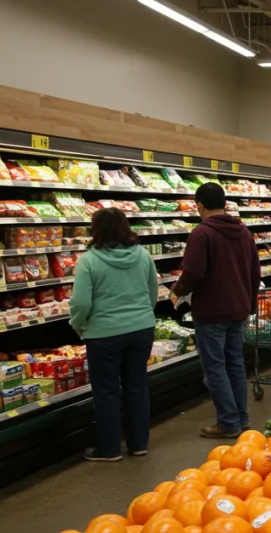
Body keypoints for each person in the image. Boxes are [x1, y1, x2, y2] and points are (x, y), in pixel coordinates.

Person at [69, 208, 159, 461]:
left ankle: (109, 450)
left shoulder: (89, 260)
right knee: (137, 386)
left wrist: (78, 324)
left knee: (106, 392)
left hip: (103, 333)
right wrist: (141, 315)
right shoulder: (143, 255)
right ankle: (139, 444)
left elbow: (81, 302)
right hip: (141, 329)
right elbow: (152, 292)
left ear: (95, 229)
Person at [172, 182, 260, 439]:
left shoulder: (201, 233)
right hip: (238, 308)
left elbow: (193, 272)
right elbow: (254, 272)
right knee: (235, 364)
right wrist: (249, 304)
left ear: (199, 206)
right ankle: (240, 418)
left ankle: (228, 422)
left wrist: (177, 290)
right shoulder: (243, 232)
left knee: (215, 368)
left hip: (212, 311)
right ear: (224, 204)